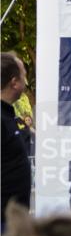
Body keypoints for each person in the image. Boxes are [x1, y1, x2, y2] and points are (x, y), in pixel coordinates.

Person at [1, 51, 32, 223]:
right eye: (23, 77)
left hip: (13, 219)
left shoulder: (7, 115)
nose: (26, 83)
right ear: (14, 83)